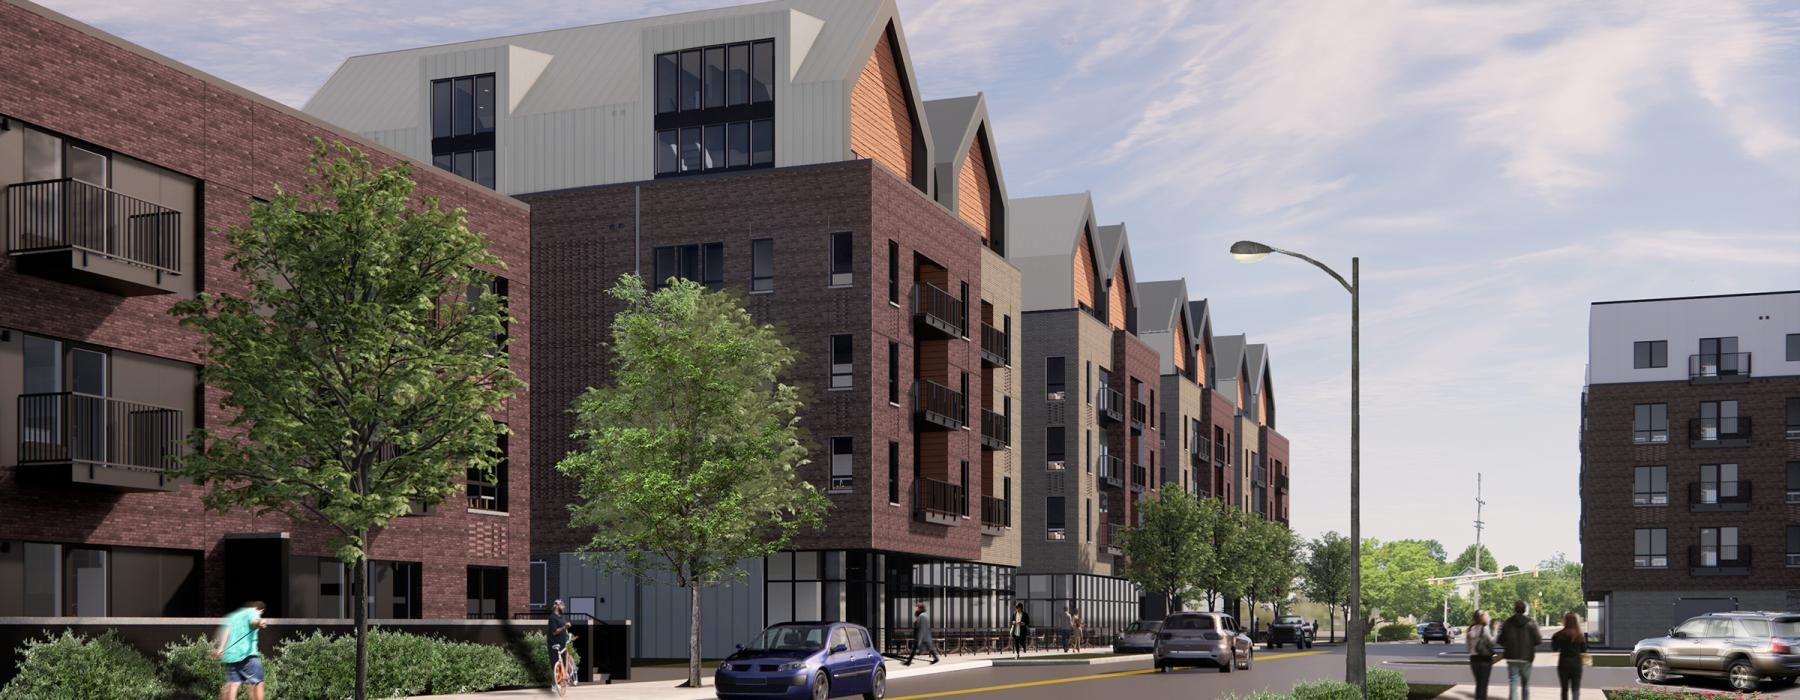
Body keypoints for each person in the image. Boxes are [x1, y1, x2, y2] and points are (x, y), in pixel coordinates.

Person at [214, 600, 268, 700]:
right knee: (258, 682)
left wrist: (221, 648)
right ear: (261, 610)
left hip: (231, 656)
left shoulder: (234, 616)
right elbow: (253, 622)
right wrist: (260, 622)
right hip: (247, 655)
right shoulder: (253, 612)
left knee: (232, 685)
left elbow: (227, 631)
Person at [1499, 600, 1543, 700]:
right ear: (1524, 610)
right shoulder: (1531, 623)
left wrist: (1508, 645)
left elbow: (1501, 640)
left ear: (1515, 609)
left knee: (1513, 682)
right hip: (1526, 657)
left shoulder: (1508, 622)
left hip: (1511, 657)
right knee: (1525, 684)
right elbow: (1538, 640)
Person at [1551, 613, 1587, 700]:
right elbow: (1584, 650)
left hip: (1563, 664)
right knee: (1576, 688)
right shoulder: (1580, 635)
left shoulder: (1558, 635)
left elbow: (1554, 649)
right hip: (1576, 664)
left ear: (1565, 621)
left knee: (1564, 689)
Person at [1466, 610, 1496, 700]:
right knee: (1483, 686)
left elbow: (1468, 648)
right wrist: (1495, 631)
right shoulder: (1484, 629)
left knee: (1479, 685)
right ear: (1482, 618)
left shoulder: (1470, 630)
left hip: (1474, 660)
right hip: (1484, 660)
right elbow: (1492, 642)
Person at [547, 599, 577, 687]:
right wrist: (565, 626)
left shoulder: (561, 617)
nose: (563, 607)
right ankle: (554, 684)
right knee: (555, 663)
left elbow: (564, 629)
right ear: (556, 606)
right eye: (562, 605)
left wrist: (569, 636)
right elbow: (554, 632)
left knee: (562, 663)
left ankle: (562, 681)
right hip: (554, 643)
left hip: (562, 642)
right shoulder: (552, 618)